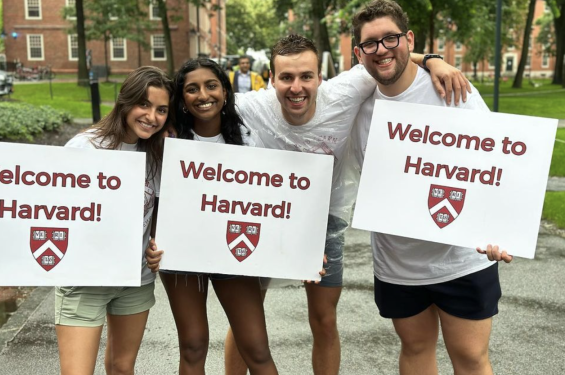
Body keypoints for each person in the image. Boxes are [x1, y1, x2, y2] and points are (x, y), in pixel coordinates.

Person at [147, 35, 469, 374]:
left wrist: (434, 59)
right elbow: (194, 100)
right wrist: (165, 123)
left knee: (324, 319)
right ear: (271, 78)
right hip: (267, 216)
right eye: (286, 77)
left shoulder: (345, 90)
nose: (296, 87)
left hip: (325, 216)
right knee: (247, 320)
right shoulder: (249, 106)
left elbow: (386, 54)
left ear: (320, 77)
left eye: (306, 76)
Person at [350, 1, 513, 374]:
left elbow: (497, 161)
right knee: (416, 349)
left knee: (470, 357)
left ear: (409, 38)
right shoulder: (355, 102)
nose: (382, 50)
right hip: (398, 263)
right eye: (370, 44)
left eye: (391, 38)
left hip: (460, 257)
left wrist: (499, 229)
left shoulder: (451, 89)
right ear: (359, 53)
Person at [155, 57, 279, 375]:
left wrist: (301, 249)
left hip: (233, 248)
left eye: (211, 85)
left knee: (256, 348)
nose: (203, 95)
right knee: (193, 345)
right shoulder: (167, 140)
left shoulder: (251, 138)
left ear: (225, 91)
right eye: (192, 89)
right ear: (181, 99)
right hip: (182, 254)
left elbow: (276, 199)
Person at [55, 66, 172, 375]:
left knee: (122, 368)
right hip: (84, 279)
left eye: (161, 110)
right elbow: (55, 210)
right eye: (144, 104)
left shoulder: (158, 154)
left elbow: (160, 213)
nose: (152, 116)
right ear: (125, 101)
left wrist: (158, 245)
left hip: (135, 280)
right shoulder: (86, 147)